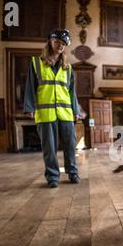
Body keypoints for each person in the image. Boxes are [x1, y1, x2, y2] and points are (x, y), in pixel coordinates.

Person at [24, 29, 81, 188]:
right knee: (49, 147)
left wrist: (75, 111)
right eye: (57, 42)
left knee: (70, 144)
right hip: (45, 112)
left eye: (63, 44)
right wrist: (29, 107)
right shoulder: (36, 63)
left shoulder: (67, 68)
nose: (60, 46)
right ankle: (52, 177)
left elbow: (71, 92)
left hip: (66, 112)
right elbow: (30, 86)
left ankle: (72, 172)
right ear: (50, 41)